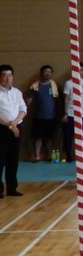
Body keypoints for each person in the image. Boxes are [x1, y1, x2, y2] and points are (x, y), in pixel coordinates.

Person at [0, 65, 28, 197]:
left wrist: (15, 123)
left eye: (10, 75)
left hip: (16, 128)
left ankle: (12, 188)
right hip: (2, 128)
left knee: (13, 159)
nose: (7, 78)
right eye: (4, 75)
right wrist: (10, 125)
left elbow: (23, 109)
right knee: (0, 159)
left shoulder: (17, 92)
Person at [27, 64, 59, 162]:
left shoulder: (53, 85)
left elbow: (57, 100)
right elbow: (29, 99)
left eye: (50, 72)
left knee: (50, 138)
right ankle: (37, 156)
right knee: (38, 138)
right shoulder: (35, 86)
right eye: (46, 72)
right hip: (39, 116)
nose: (48, 74)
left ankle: (50, 156)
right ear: (41, 73)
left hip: (51, 116)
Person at [61, 62, 83, 162]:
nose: (79, 72)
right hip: (70, 114)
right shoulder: (68, 83)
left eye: (81, 70)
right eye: (77, 70)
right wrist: (65, 113)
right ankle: (69, 156)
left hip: (82, 115)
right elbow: (65, 99)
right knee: (68, 137)